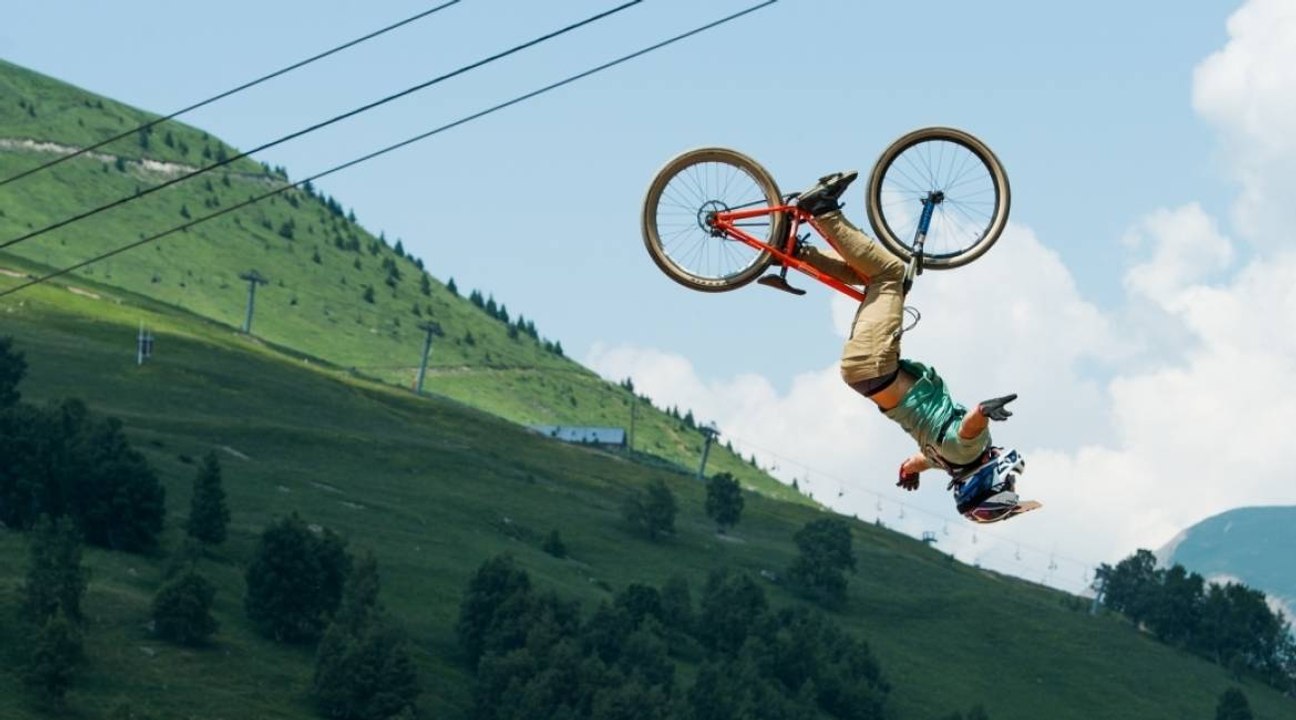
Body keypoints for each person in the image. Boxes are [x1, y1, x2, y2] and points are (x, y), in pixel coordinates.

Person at [792, 170, 1028, 523]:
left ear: (988, 483)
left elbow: (970, 425)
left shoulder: (969, 448)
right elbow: (915, 461)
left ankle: (822, 211)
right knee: (873, 278)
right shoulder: (944, 461)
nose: (1008, 475)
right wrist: (908, 471)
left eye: (1005, 482)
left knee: (890, 275)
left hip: (876, 364)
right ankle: (796, 251)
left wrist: (985, 409)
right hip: (868, 375)